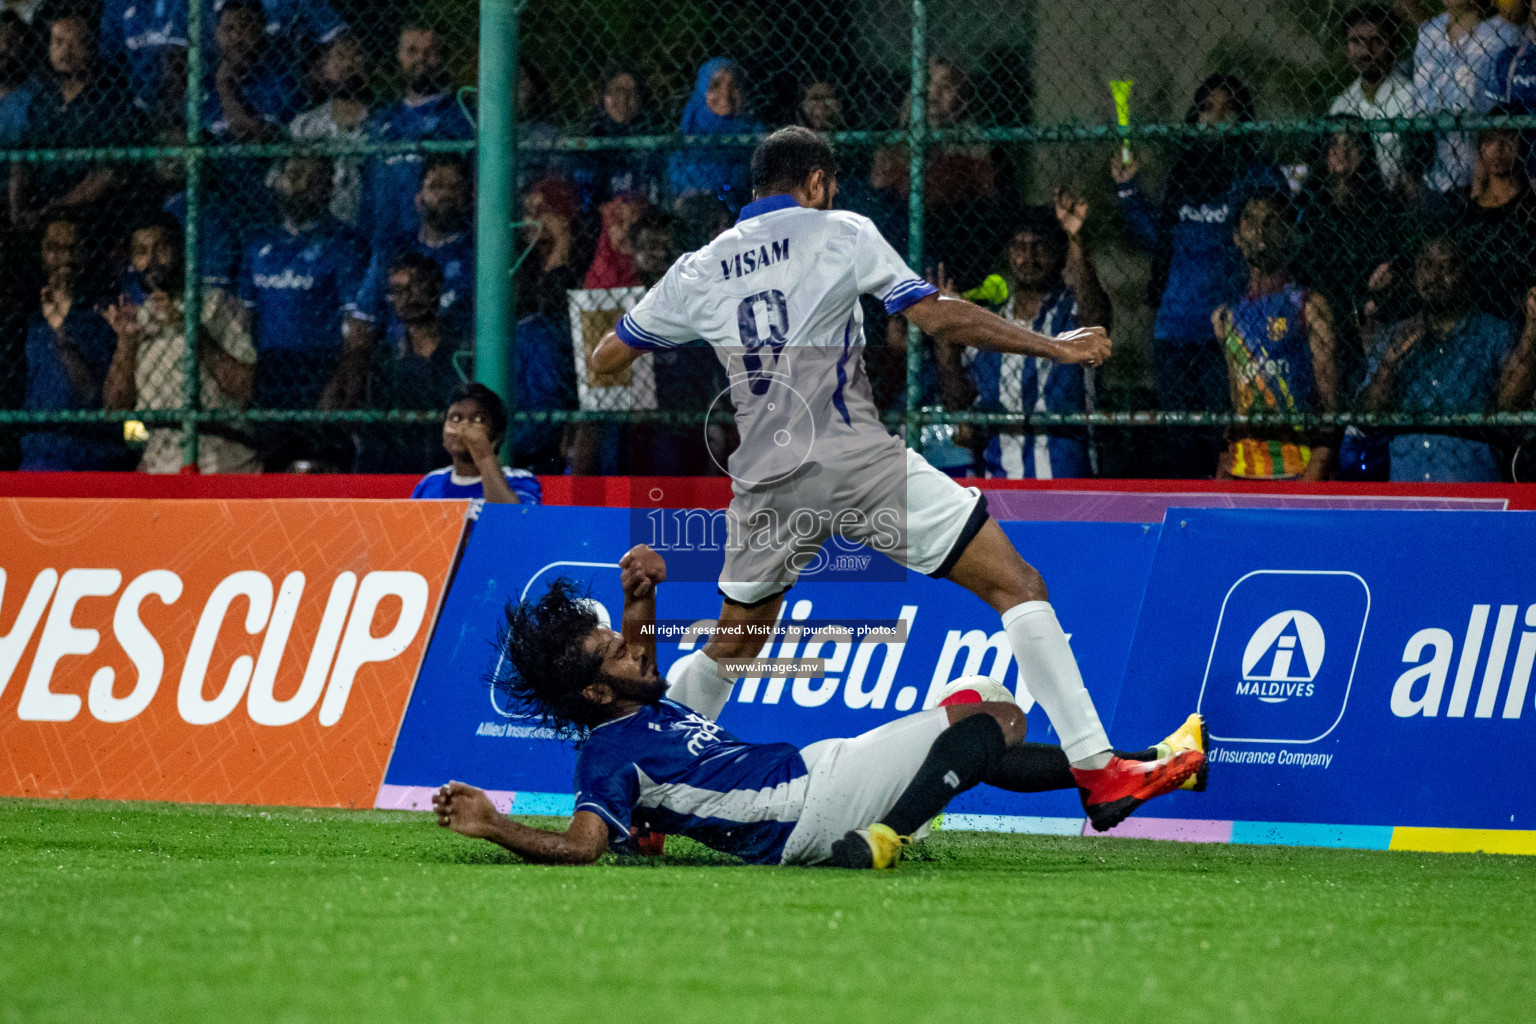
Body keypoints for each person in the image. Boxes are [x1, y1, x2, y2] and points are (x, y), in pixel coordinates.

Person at [588, 126, 1199, 843]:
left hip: (766, 483)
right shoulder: (840, 230)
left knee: (733, 645)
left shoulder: (702, 265)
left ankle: (651, 790)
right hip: (854, 461)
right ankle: (1100, 771)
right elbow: (934, 313)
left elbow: (605, 357)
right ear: (815, 182)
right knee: (1016, 584)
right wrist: (1054, 346)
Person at [430, 544, 1206, 867]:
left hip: (813, 780)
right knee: (994, 713)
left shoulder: (638, 705)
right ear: (599, 691)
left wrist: (643, 594)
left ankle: (1145, 764)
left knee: (977, 742)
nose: (638, 646)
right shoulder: (606, 755)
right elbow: (586, 844)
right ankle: (883, 839)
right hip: (809, 807)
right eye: (621, 652)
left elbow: (637, 663)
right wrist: (497, 824)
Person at [1113, 73, 1284, 477]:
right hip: (1175, 331)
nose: (1217, 118)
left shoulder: (1255, 174)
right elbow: (1160, 236)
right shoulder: (1185, 175)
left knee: (1224, 437)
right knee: (1181, 442)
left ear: (1244, 119)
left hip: (1230, 331)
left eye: (1229, 110)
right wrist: (1128, 192)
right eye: (1208, 109)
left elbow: (1274, 225)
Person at [937, 194, 1112, 479]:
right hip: (1003, 482)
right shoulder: (988, 324)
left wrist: (1076, 240)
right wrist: (945, 334)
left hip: (1068, 480)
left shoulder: (1070, 312)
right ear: (1008, 252)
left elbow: (1096, 318)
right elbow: (957, 402)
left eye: (1039, 247)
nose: (1028, 257)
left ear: (1058, 251)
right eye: (1019, 246)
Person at [102, 213, 258, 474]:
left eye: (161, 248)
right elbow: (115, 409)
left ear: (181, 250)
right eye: (141, 252)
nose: (151, 260)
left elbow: (244, 389)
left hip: (223, 466)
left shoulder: (216, 305)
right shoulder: (136, 318)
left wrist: (191, 331)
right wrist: (126, 344)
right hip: (161, 468)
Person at [1360, 233, 1521, 480]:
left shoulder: (1495, 334)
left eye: (1447, 266)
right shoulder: (1396, 334)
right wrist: (1388, 366)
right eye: (1426, 265)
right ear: (1414, 274)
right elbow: (1368, 417)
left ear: (1465, 274)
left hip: (1471, 481)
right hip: (1408, 483)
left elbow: (1510, 408)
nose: (1435, 276)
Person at [1211, 191, 1340, 480]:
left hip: (1296, 469)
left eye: (1271, 221)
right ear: (1236, 235)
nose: (1260, 229)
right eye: (1251, 220)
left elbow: (1330, 404)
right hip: (1243, 470)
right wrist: (1223, 470)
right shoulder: (1228, 315)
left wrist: (1315, 472)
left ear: (1288, 234)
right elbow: (1238, 402)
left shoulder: (1308, 306)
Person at [332, 153, 474, 407]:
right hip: (397, 364)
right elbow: (363, 321)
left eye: (454, 187)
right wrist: (348, 377)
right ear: (418, 199)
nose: (445, 195)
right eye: (435, 186)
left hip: (456, 364)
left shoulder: (477, 254)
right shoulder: (394, 251)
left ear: (467, 198)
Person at [238, 154, 368, 414]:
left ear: (328, 187)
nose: (302, 187)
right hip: (269, 363)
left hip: (320, 361)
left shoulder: (345, 243)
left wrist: (341, 376)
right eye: (295, 176)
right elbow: (245, 314)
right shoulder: (257, 242)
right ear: (278, 180)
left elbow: (356, 321)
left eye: (314, 180)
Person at [1294, 117, 1408, 389]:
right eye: (1334, 143)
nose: (1342, 151)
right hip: (1316, 323)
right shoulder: (1307, 210)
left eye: (1352, 143)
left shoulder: (1384, 209)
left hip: (1369, 322)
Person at [12, 15, 141, 243]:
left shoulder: (109, 100)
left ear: (92, 48)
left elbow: (109, 172)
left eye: (76, 43)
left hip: (90, 212)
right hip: (40, 204)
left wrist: (58, 207)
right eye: (58, 42)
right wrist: (19, 209)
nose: (66, 51)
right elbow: (22, 158)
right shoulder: (44, 99)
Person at [98, 0, 347, 117]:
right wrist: (172, 120)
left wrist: (308, 84)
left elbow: (338, 41)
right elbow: (175, 58)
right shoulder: (193, 7)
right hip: (202, 91)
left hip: (280, 87)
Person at [358, 22, 475, 249]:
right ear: (399, 57)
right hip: (386, 245)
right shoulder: (381, 122)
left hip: (446, 243)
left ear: (444, 58)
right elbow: (369, 192)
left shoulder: (465, 117)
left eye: (430, 52)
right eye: (412, 51)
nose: (421, 58)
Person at [20, 215, 124, 470]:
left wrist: (61, 335)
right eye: (54, 248)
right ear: (41, 254)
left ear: (85, 255)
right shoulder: (28, 317)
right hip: (36, 452)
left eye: (72, 248)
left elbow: (92, 396)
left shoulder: (103, 317)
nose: (64, 257)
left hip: (86, 454)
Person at [357, 251, 466, 474]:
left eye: (416, 286)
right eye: (398, 291)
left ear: (435, 288)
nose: (407, 297)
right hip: (403, 465)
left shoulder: (462, 353)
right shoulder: (386, 360)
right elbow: (376, 428)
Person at [204, 0, 303, 231]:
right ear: (216, 34)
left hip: (265, 203)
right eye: (229, 29)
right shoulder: (201, 82)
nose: (238, 37)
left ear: (261, 31)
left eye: (246, 27)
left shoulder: (282, 80)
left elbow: (255, 137)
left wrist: (225, 87)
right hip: (215, 203)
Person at [1412, 0, 1520, 195]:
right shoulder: (1430, 32)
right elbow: (1420, 105)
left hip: (1484, 178)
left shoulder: (1504, 32)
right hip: (1434, 178)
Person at [288, 31, 371, 228]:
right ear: (324, 68)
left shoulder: (383, 124)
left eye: (356, 55)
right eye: (339, 56)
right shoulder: (304, 125)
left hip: (368, 225)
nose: (348, 64)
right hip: (319, 228)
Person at [411, 382, 542, 504]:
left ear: (498, 435)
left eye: (478, 419)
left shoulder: (519, 481)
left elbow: (514, 523)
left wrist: (485, 459)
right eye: (455, 418)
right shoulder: (430, 483)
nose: (463, 426)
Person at [1330, 5, 1416, 192]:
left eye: (1376, 41)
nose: (1366, 51)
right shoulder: (1341, 104)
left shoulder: (1411, 97)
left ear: (1393, 46)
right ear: (1346, 49)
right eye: (1356, 41)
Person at [666, 57, 765, 207]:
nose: (726, 93)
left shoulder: (755, 135)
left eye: (734, 85)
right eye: (715, 85)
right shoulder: (686, 134)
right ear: (701, 90)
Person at [571, 62, 662, 213]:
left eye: (631, 92)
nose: (623, 98)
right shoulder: (587, 142)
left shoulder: (651, 141)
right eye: (616, 90)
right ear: (603, 96)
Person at [517, 176, 582, 320]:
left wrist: (562, 239)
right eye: (528, 212)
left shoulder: (581, 264)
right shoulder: (523, 261)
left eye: (542, 211)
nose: (531, 219)